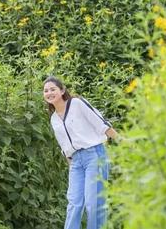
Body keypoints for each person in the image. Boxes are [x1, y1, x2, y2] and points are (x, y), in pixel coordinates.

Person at [43, 76, 118, 229]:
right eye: (46, 91)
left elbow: (101, 124)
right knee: (74, 203)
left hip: (94, 155)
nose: (49, 93)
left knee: (94, 203)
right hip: (76, 162)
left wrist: (122, 141)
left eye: (53, 89)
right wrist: (71, 166)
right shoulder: (53, 119)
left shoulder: (76, 103)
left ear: (62, 90)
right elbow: (64, 147)